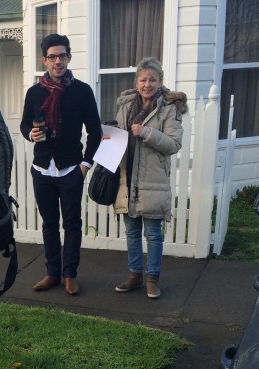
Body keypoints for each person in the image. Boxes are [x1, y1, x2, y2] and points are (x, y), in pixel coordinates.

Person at [20, 33, 102, 296]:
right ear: (44, 60)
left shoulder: (82, 91)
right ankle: (52, 272)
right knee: (49, 223)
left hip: (70, 169)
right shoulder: (34, 92)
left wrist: (85, 165)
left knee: (72, 223)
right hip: (42, 169)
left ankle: (69, 275)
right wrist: (30, 134)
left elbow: (95, 131)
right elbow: (24, 124)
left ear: (69, 57)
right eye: (53, 57)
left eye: (62, 56)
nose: (58, 61)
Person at [112, 57, 188, 299]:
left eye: (152, 80)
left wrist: (147, 133)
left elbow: (174, 144)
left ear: (160, 81)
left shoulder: (169, 108)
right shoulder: (126, 105)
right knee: (132, 233)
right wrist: (110, 136)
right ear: (136, 82)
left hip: (153, 180)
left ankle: (152, 279)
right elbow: (119, 136)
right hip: (127, 178)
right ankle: (135, 276)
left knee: (153, 234)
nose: (147, 84)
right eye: (143, 80)